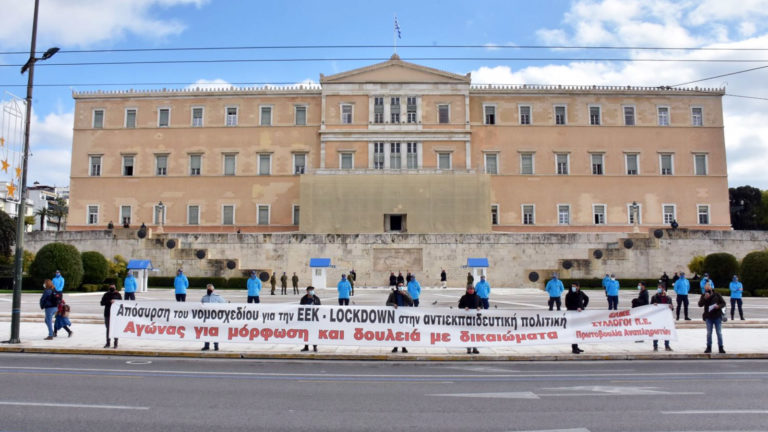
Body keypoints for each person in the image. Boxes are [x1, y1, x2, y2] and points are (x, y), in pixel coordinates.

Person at [699, 282, 726, 354]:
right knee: (709, 333)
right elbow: (700, 304)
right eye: (706, 288)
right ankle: (709, 347)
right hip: (708, 317)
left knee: (719, 333)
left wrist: (718, 306)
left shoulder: (717, 294)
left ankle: (721, 347)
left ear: (711, 288)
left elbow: (723, 303)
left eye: (709, 287)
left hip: (717, 316)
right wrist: (704, 298)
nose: (707, 289)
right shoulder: (703, 295)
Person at [386, 283, 413, 353]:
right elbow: (387, 303)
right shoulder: (393, 294)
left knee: (403, 332)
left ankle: (404, 347)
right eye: (399, 286)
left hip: (404, 316)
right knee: (396, 331)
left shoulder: (406, 293)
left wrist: (404, 294)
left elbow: (411, 303)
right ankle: (396, 347)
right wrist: (393, 304)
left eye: (402, 286)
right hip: (396, 316)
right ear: (397, 287)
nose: (401, 287)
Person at [565, 282, 589, 354]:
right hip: (572, 315)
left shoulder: (581, 293)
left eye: (574, 286)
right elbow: (567, 305)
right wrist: (576, 308)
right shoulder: (569, 294)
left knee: (578, 330)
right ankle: (574, 348)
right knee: (573, 331)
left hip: (579, 315)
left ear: (578, 287)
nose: (573, 288)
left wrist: (583, 306)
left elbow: (587, 299)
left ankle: (576, 346)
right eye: (572, 286)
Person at [201, 284, 226, 351]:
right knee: (206, 332)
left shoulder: (218, 297)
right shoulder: (204, 298)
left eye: (210, 289)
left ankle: (216, 346)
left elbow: (224, 304)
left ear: (213, 290)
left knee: (215, 332)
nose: (209, 290)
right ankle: (206, 346)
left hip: (215, 318)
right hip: (206, 318)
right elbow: (201, 307)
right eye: (208, 289)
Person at [458, 283, 481, 354]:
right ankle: (468, 348)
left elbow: (481, 305)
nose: (471, 290)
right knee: (468, 333)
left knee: (475, 334)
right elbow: (460, 306)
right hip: (467, 319)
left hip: (475, 319)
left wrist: (479, 307)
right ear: (467, 290)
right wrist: (464, 307)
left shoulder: (478, 297)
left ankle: (475, 348)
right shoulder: (464, 297)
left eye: (472, 289)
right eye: (470, 289)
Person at [651, 284, 674, 351]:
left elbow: (672, 308)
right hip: (657, 317)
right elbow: (650, 307)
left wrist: (671, 307)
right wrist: (653, 305)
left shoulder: (668, 298)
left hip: (665, 318)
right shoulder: (654, 297)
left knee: (666, 331)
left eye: (660, 288)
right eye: (658, 288)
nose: (658, 289)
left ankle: (667, 345)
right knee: (656, 331)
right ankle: (655, 346)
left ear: (663, 289)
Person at [299, 286, 321, 352]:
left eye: (312, 290)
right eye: (310, 290)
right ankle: (306, 347)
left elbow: (320, 307)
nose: (312, 291)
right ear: (307, 291)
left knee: (314, 333)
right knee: (306, 333)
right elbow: (300, 308)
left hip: (314, 319)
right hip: (306, 319)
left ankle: (315, 347)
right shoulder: (304, 299)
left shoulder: (316, 298)